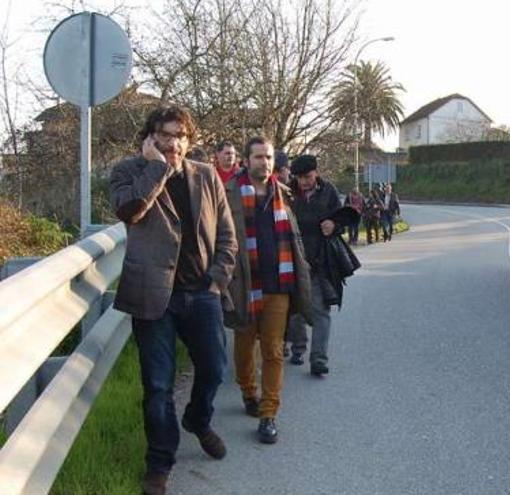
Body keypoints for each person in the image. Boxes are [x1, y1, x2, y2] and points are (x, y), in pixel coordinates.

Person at [109, 105, 237, 495]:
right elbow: (130, 211)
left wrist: (216, 281)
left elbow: (228, 236)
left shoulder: (206, 175)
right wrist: (157, 169)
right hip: (153, 298)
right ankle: (160, 462)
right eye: (164, 135)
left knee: (214, 369)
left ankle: (198, 420)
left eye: (180, 135)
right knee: (158, 387)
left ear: (189, 139)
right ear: (150, 137)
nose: (173, 143)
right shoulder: (128, 172)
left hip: (202, 294)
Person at [223, 136, 312, 445]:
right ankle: (249, 390)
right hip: (244, 283)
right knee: (245, 345)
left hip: (278, 284)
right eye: (258, 156)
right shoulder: (228, 193)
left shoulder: (284, 195)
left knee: (273, 350)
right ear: (246, 161)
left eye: (269, 157)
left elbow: (295, 239)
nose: (264, 162)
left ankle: (269, 413)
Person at [286, 154, 341, 376]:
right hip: (294, 259)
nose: (305, 182)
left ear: (316, 173)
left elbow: (343, 219)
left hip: (321, 260)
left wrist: (334, 225)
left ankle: (319, 358)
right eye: (300, 178)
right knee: (296, 310)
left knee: (321, 311)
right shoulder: (287, 193)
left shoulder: (329, 192)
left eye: (308, 177)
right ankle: (299, 347)